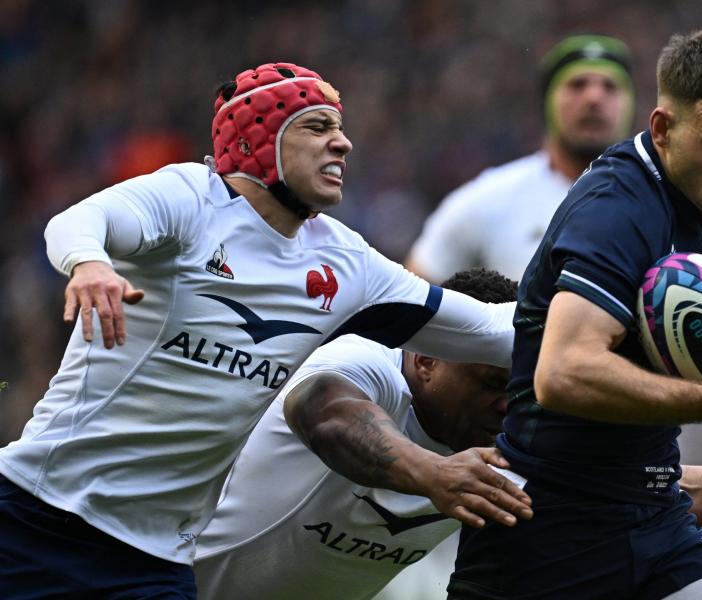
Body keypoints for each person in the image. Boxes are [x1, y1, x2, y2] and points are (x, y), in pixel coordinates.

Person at [0, 63, 531, 599]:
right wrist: (88, 263)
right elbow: (78, 221)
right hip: (36, 512)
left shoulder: (347, 263)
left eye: (340, 129)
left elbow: (493, 328)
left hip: (153, 558)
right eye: (318, 127)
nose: (343, 144)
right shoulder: (191, 199)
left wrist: (600, 311)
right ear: (259, 136)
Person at [193, 271, 702, 600]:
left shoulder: (515, 428)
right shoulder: (367, 361)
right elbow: (323, 413)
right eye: (489, 383)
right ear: (425, 357)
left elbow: (675, 495)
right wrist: (433, 474)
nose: (506, 405)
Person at [447, 27, 702, 600]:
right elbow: (562, 373)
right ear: (662, 128)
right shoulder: (616, 208)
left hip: (659, 515)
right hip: (547, 528)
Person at [405, 34, 636, 282]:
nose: (594, 98)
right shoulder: (490, 200)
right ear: (547, 102)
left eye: (610, 87)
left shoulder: (664, 199)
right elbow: (413, 293)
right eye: (577, 85)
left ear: (630, 104)